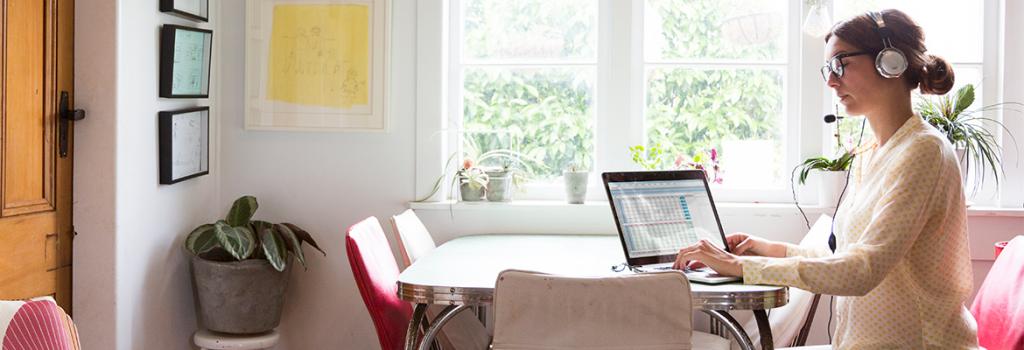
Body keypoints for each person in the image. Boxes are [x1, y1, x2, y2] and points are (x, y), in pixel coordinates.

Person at [673, 9, 979, 349]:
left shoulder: (923, 152)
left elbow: (862, 270)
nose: (831, 81)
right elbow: (843, 255)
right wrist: (765, 249)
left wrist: (739, 266)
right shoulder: (872, 153)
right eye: (829, 69)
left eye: (841, 64)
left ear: (889, 61)